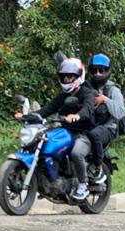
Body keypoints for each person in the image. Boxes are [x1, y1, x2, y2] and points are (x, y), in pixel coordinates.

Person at [19, 57, 96, 202]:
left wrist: (77, 116)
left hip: (83, 133)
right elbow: (47, 109)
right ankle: (49, 180)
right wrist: (26, 117)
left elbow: (88, 110)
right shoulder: (63, 95)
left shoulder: (87, 93)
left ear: (79, 77)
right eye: (64, 76)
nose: (66, 79)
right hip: (66, 130)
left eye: (70, 76)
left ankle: (83, 185)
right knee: (44, 144)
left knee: (76, 153)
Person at [84, 53, 125, 186]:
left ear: (106, 72)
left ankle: (99, 170)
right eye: (94, 70)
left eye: (101, 71)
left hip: (108, 128)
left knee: (95, 134)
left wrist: (105, 100)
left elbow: (120, 112)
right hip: (90, 124)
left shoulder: (112, 89)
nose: (97, 74)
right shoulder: (86, 86)